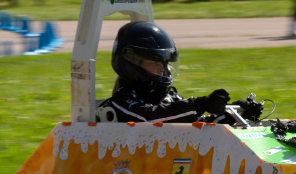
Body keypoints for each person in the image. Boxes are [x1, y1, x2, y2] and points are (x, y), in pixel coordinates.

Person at [102, 21, 262, 123]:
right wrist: (200, 104)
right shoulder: (122, 102)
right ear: (131, 64)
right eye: (154, 63)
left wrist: (233, 114)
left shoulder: (168, 98)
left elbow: (200, 124)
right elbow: (149, 118)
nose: (162, 69)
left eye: (164, 63)